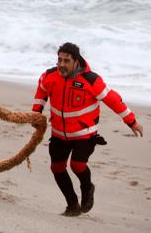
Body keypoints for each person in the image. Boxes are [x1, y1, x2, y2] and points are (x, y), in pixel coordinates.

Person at [32, 42, 144, 216]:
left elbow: (113, 100)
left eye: (66, 61)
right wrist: (36, 112)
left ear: (76, 61)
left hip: (84, 134)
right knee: (57, 168)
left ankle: (87, 187)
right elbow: (41, 91)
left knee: (77, 165)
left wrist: (132, 122)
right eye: (59, 60)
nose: (61, 64)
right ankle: (72, 205)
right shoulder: (49, 76)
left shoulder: (91, 80)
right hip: (59, 133)